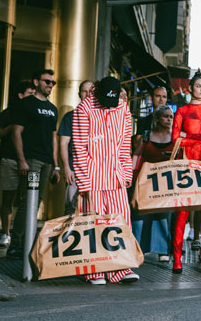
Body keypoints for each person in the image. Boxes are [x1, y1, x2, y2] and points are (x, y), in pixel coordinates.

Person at [72, 76, 137, 284]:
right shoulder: (84, 108)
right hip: (93, 176)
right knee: (93, 221)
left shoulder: (123, 108)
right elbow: (80, 148)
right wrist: (84, 183)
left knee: (122, 220)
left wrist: (127, 173)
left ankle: (120, 268)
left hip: (116, 175)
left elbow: (126, 144)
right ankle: (94, 271)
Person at [171, 71, 201, 275]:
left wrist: (188, 136)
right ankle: (176, 259)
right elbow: (176, 139)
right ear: (190, 88)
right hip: (186, 164)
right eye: (198, 86)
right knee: (181, 214)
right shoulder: (181, 111)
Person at [7, 69, 60, 259]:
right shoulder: (26, 104)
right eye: (47, 81)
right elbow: (16, 132)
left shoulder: (53, 109)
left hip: (46, 161)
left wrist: (55, 165)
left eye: (52, 83)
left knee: (36, 202)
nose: (50, 85)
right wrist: (22, 160)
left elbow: (53, 139)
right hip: (32, 160)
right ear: (36, 82)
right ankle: (17, 244)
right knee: (27, 202)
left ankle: (27, 243)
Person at [131, 105, 174, 262]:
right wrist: (131, 176)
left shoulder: (176, 137)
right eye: (165, 116)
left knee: (163, 215)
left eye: (171, 116)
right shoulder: (147, 136)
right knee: (139, 214)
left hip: (165, 181)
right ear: (157, 119)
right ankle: (138, 248)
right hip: (145, 180)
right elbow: (136, 155)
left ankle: (163, 250)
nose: (169, 119)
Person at [0, 80, 34, 246]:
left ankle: (23, 235)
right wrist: (13, 127)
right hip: (10, 160)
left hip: (31, 161)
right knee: (8, 199)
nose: (32, 97)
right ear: (20, 95)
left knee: (28, 199)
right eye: (29, 94)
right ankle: (5, 233)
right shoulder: (9, 112)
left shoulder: (35, 113)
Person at [58, 80, 94, 216]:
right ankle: (68, 237)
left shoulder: (99, 116)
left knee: (91, 208)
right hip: (74, 169)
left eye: (91, 91)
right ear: (80, 94)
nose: (88, 94)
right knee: (70, 208)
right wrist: (66, 168)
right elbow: (63, 143)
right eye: (85, 91)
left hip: (94, 171)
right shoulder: (70, 117)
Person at [133, 86, 169, 155]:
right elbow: (137, 145)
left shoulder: (173, 121)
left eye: (164, 97)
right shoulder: (143, 122)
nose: (161, 99)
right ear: (151, 98)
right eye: (158, 96)